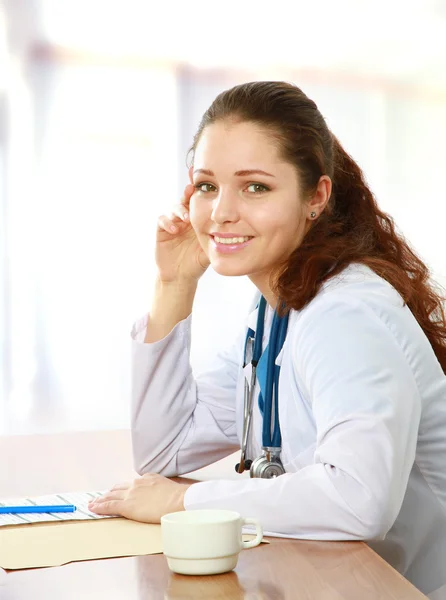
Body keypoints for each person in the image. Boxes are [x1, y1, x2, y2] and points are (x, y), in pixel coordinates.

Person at [89, 81, 446, 598]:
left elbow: (357, 500)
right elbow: (163, 452)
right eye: (207, 185)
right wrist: (174, 284)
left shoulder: (344, 313)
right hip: (332, 578)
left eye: (255, 187)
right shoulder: (274, 307)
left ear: (316, 197)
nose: (221, 212)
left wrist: (182, 502)